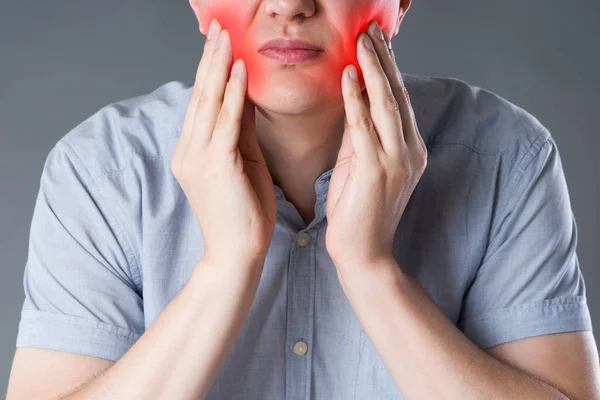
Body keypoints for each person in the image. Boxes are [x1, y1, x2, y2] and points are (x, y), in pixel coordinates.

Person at [6, 0, 599, 399]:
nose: (291, 4)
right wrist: (224, 269)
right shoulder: (101, 170)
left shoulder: (506, 157)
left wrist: (372, 271)